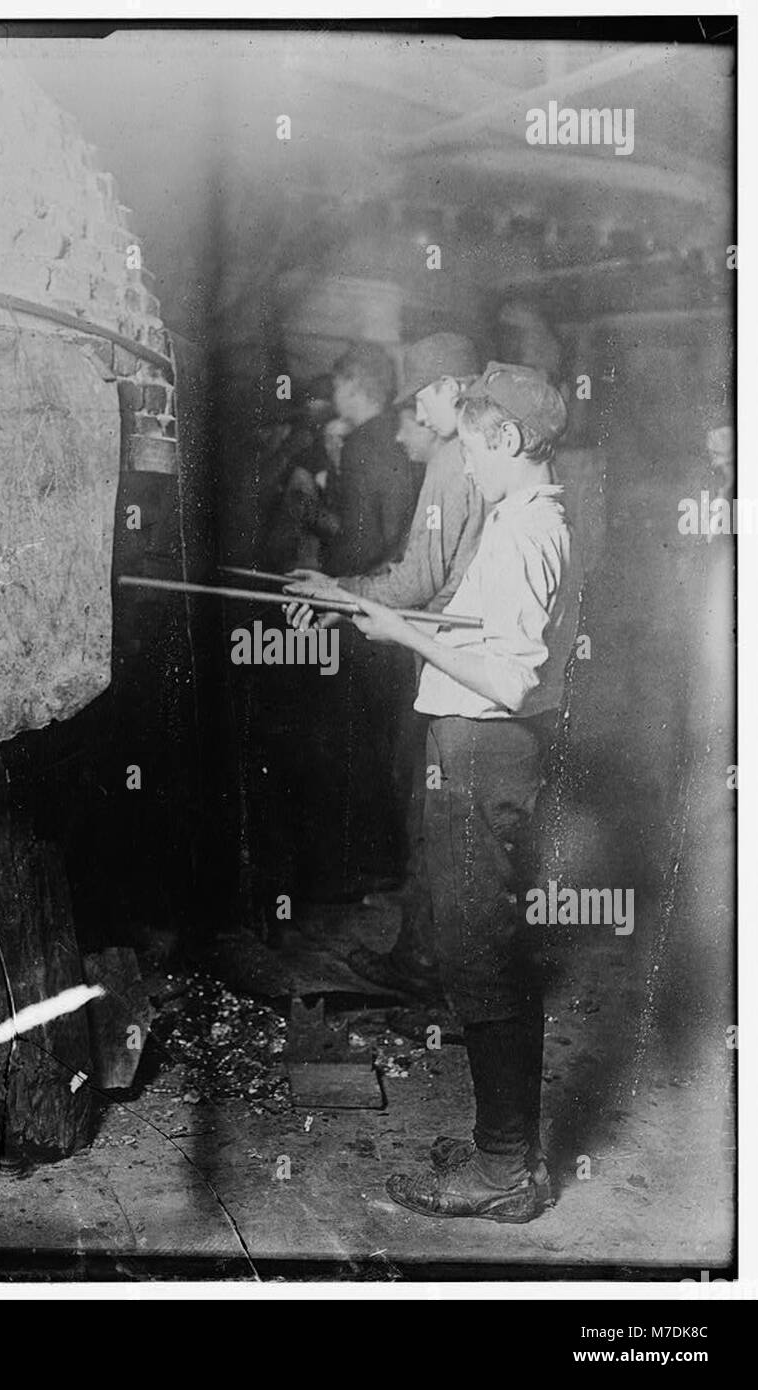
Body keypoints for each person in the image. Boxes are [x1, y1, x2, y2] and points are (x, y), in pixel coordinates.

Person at [296, 363, 582, 1222]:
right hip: (479, 746)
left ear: (504, 439)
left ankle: (504, 1169)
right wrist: (380, 617)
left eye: (468, 443)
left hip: (486, 748)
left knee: (478, 950)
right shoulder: (521, 517)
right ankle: (507, 1150)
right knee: (478, 941)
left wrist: (392, 629)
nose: (463, 460)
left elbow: (507, 674)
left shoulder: (529, 530)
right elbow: (481, 630)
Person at [287, 332, 486, 982]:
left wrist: (340, 592)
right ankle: (431, 958)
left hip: (453, 657)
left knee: (434, 809)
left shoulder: (455, 459)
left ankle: (432, 968)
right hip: (466, 657)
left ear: (452, 389)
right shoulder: (482, 455)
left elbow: (418, 574)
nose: (415, 420)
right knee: (442, 812)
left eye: (422, 399)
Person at [320, 343, 420, 576]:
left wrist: (330, 581)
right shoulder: (400, 430)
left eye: (337, 387)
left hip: (368, 578)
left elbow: (361, 539)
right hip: (399, 567)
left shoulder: (358, 444)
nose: (334, 396)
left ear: (353, 386)